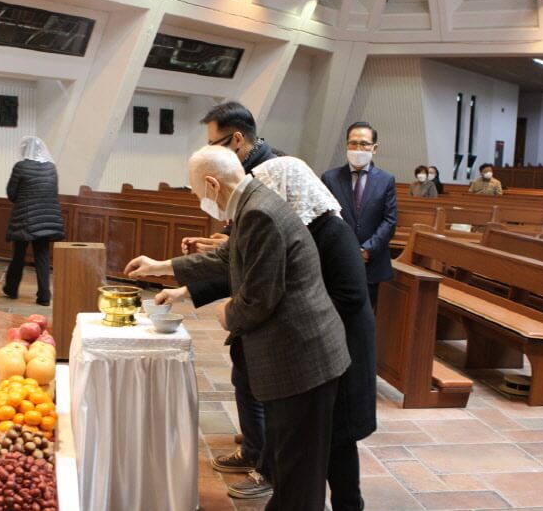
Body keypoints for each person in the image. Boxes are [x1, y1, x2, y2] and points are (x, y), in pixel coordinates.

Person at [125, 146, 350, 511]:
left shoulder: (259, 211)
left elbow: (261, 298)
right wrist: (161, 266)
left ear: (212, 184)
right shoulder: (253, 202)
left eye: (198, 193)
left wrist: (229, 314)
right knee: (291, 466)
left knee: (299, 471)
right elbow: (227, 255)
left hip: (302, 357)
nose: (201, 201)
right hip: (298, 355)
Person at [181, 101, 278, 255]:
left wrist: (231, 244)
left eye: (213, 144)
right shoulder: (243, 168)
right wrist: (214, 243)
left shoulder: (271, 174)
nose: (211, 150)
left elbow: (270, 242)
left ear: (237, 139)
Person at [322, 121, 397, 307]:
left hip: (371, 263)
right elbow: (325, 217)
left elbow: (389, 220)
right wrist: (344, 249)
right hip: (337, 261)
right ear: (346, 145)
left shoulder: (386, 180)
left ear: (374, 148)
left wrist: (367, 249)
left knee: (367, 315)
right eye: (353, 143)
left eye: (364, 144)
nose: (358, 148)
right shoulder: (330, 178)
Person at [2, 136, 65, 306]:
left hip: (25, 217)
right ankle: (44, 296)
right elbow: (54, 192)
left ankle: (11, 289)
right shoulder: (51, 167)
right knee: (42, 257)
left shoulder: (21, 166)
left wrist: (24, 200)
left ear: (25, 149)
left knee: (18, 255)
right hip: (47, 217)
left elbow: (11, 193)